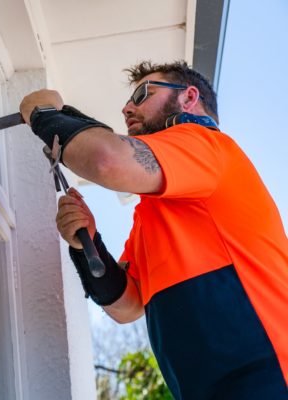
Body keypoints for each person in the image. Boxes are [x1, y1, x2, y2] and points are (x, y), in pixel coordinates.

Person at [19, 61, 288, 398]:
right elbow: (127, 305)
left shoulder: (206, 144)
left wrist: (44, 113)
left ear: (189, 98)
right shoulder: (153, 211)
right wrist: (85, 244)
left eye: (142, 94)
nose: (126, 108)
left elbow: (107, 160)